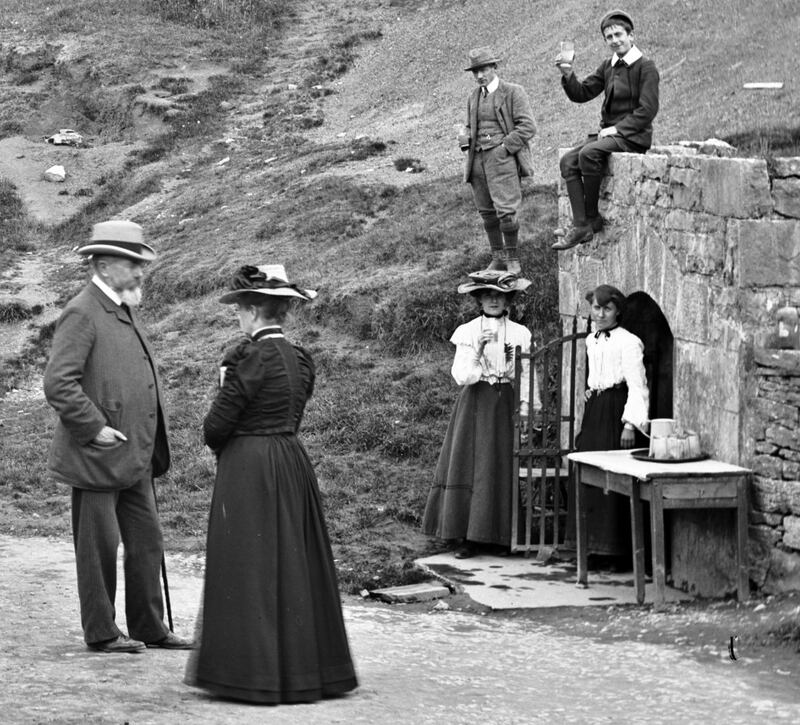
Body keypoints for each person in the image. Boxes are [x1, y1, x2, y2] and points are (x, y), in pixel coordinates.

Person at [185, 264, 358, 704]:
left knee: (249, 562)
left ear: (254, 311)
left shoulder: (247, 358)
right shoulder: (300, 359)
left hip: (249, 464)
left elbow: (215, 428)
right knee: (293, 560)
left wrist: (221, 394)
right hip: (290, 457)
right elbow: (293, 411)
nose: (239, 318)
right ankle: (304, 668)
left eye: (241, 309)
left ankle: (251, 672)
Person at [43, 220, 192, 653]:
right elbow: (59, 383)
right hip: (97, 455)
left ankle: (150, 627)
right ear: (105, 266)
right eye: (134, 263)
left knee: (147, 543)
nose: (142, 271)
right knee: (99, 551)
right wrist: (93, 427)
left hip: (136, 456)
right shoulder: (82, 311)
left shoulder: (123, 306)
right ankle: (103, 632)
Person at [422, 271, 540, 558]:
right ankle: (469, 537)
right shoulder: (468, 331)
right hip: (476, 401)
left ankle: (500, 536)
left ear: (508, 299)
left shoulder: (519, 335)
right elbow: (462, 375)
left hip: (505, 401)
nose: (493, 300)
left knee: (499, 465)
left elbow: (524, 375)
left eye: (499, 295)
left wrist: (527, 408)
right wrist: (479, 350)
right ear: (479, 299)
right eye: (487, 295)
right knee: (471, 464)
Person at [552, 10, 660, 251]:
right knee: (568, 161)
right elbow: (582, 93)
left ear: (631, 35)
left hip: (633, 136)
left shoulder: (646, 67)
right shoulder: (608, 67)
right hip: (610, 135)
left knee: (587, 154)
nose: (615, 40)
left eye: (619, 34)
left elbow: (648, 110)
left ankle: (591, 220)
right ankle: (580, 224)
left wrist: (617, 129)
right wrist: (568, 74)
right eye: (609, 37)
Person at [565, 284, 650, 560]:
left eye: (607, 309)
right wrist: (592, 389)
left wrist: (629, 424)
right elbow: (598, 374)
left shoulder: (629, 341)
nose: (600, 314)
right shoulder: (592, 339)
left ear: (617, 311)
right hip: (596, 410)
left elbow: (638, 386)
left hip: (616, 411)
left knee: (614, 477)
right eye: (596, 308)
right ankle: (589, 547)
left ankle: (615, 552)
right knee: (589, 471)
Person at [458, 46, 537, 275]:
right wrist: (465, 135)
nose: (479, 75)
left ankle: (512, 258)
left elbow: (528, 127)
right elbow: (469, 125)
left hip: (501, 160)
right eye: (475, 72)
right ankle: (498, 258)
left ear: (494, 67)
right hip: (477, 161)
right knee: (487, 212)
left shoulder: (513, 92)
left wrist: (504, 148)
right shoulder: (473, 96)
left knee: (506, 210)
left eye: (483, 69)